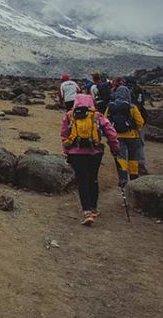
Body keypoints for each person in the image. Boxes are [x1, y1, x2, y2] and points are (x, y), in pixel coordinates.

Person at [61, 93, 120, 225]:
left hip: (76, 153)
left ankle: (86, 211)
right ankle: (94, 208)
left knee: (82, 180)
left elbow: (64, 134)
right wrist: (115, 148)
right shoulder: (97, 116)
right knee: (93, 179)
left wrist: (66, 151)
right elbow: (111, 132)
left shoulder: (70, 115)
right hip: (95, 152)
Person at [107, 85, 146, 184]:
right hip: (132, 136)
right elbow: (140, 122)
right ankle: (134, 177)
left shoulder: (111, 106)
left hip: (117, 137)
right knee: (133, 157)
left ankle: (123, 178)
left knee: (121, 157)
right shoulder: (132, 107)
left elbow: (105, 121)